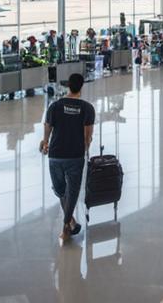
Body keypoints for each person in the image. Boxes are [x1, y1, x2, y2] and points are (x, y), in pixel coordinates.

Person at [39, 73, 94, 242]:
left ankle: (68, 224)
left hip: (55, 155)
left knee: (61, 190)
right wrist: (85, 150)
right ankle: (68, 222)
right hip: (75, 156)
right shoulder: (87, 108)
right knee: (72, 192)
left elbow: (48, 125)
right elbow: (88, 136)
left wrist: (45, 141)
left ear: (68, 86)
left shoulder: (55, 106)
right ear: (81, 87)